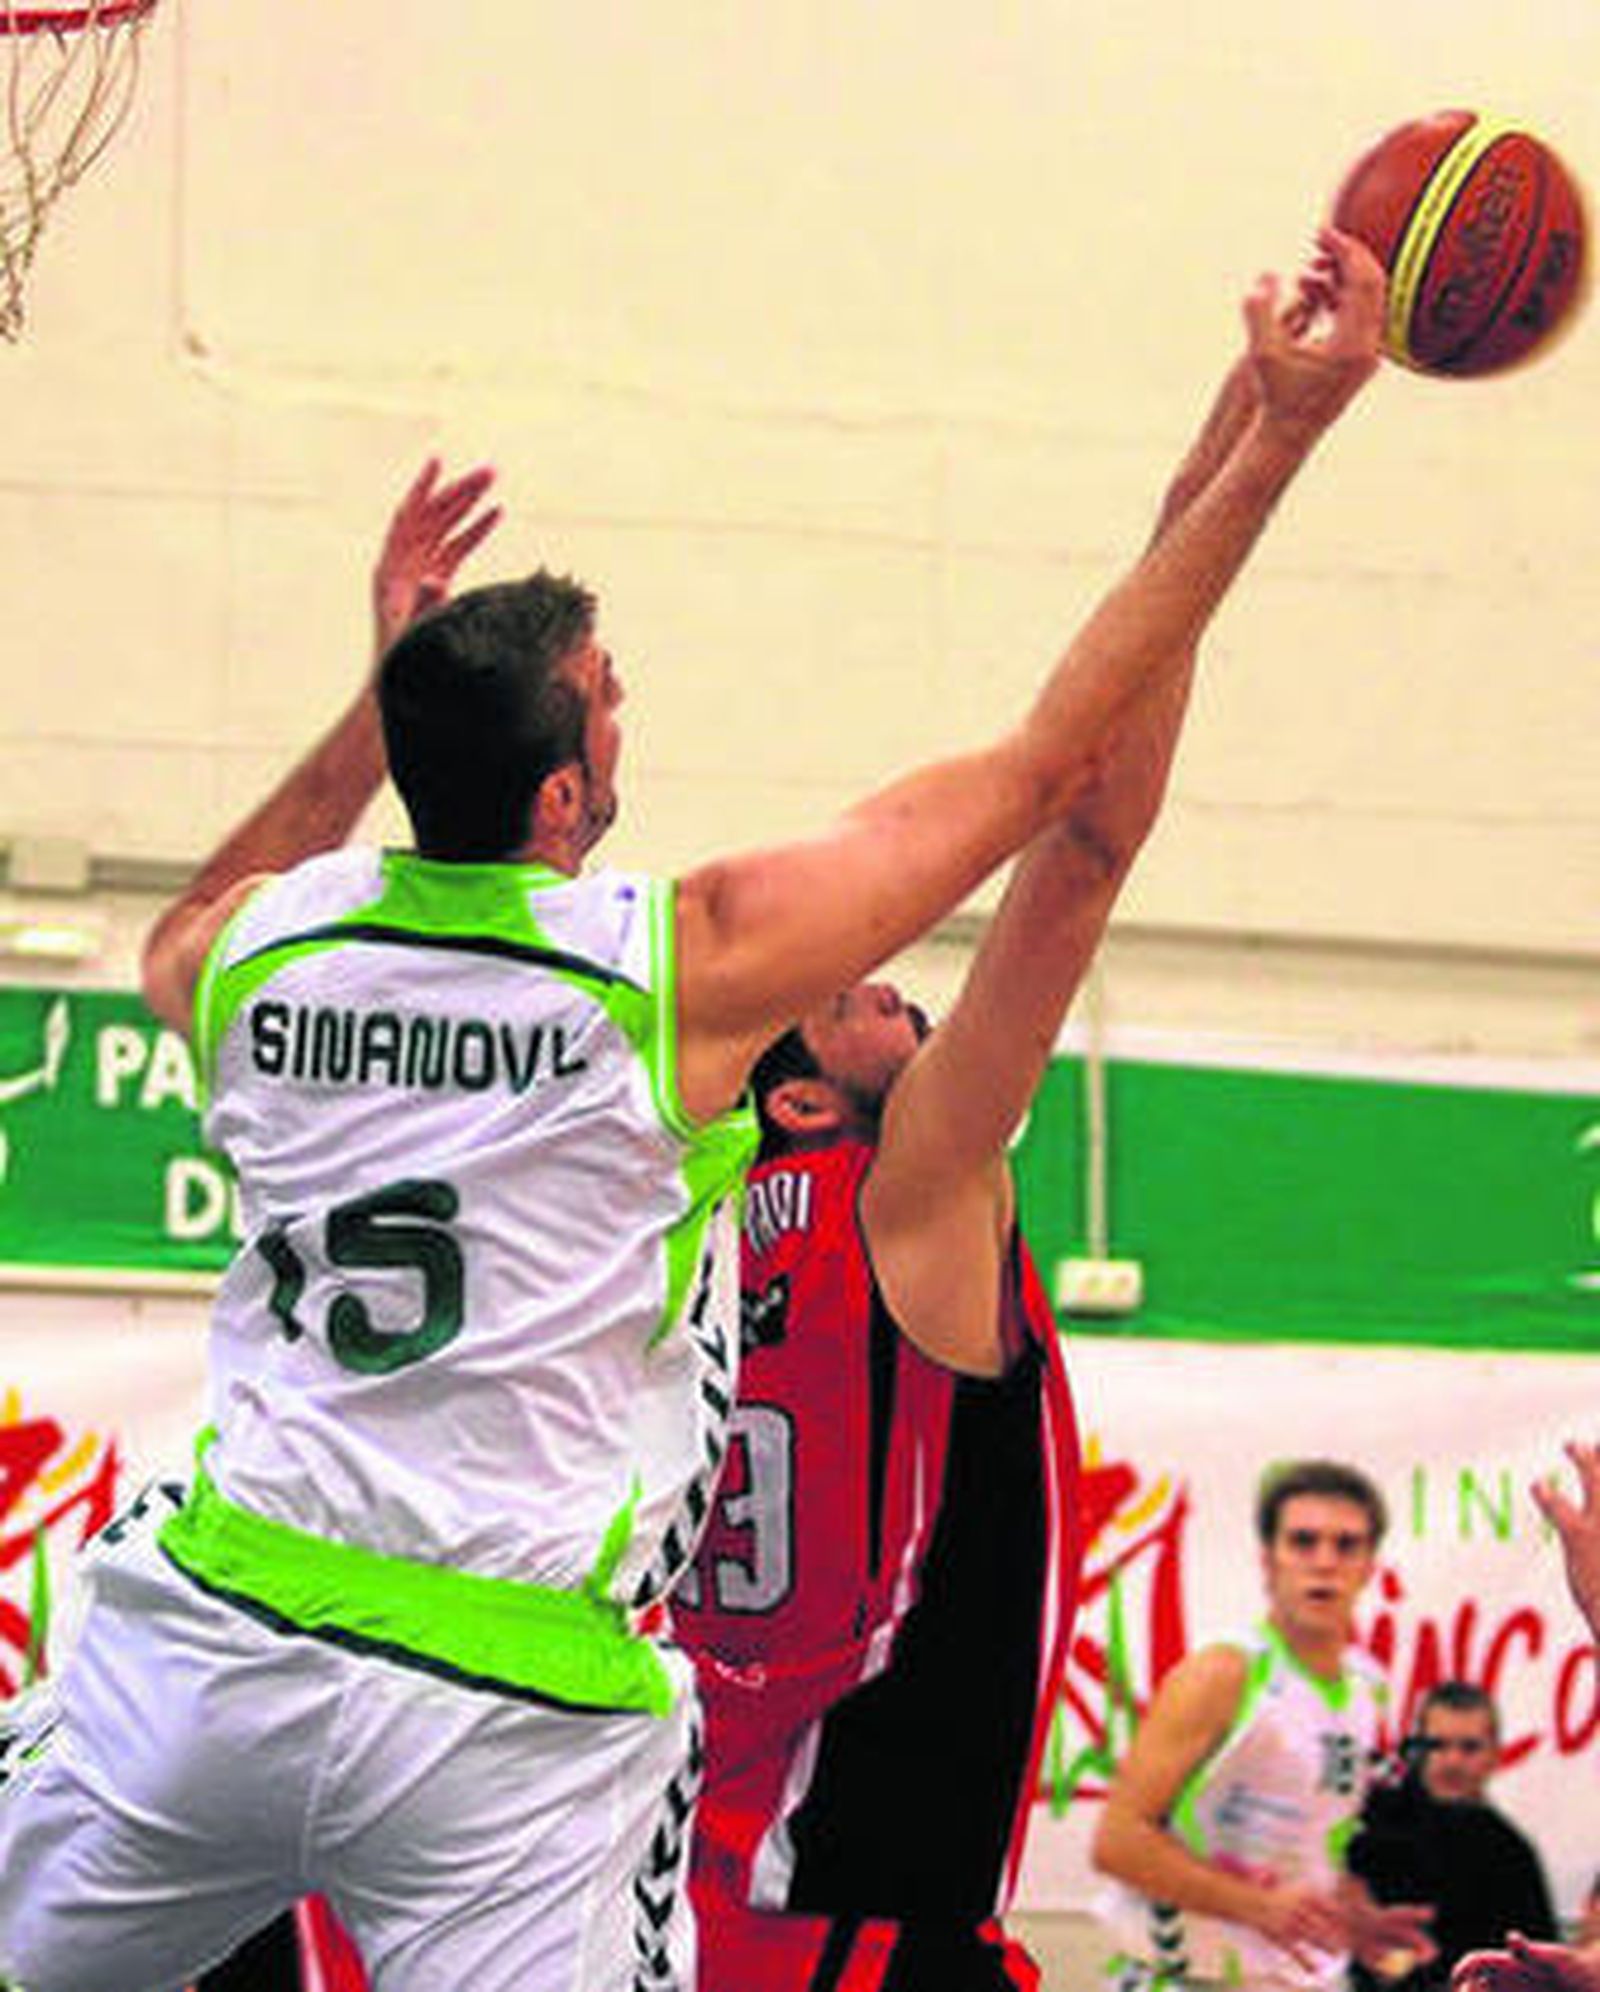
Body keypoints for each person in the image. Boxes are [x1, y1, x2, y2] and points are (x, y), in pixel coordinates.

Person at [0, 231, 1387, 1992]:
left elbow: (185, 934)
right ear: (572, 790)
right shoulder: (701, 1003)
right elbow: (1067, 789)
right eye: (607, 697)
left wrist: (391, 699)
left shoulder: (277, 954)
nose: (894, 975)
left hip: (224, 1627)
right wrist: (1272, 434)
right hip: (525, 1716)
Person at [670, 295, 1284, 1992]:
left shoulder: (644, 1220)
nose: (894, 988)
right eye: (855, 997)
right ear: (801, 1097)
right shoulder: (903, 1190)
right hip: (864, 1935)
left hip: (642, 1922)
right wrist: (1261, 445)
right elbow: (1081, 847)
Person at [1091, 1458, 1434, 1991]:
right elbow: (1118, 1841)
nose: (1324, 1562)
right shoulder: (1224, 1671)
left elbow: (1309, 1851)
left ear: (1370, 1567)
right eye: (1303, 1542)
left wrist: (1354, 1919)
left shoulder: (1369, 1688)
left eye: (1346, 1546)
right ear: (1268, 1562)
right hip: (1187, 1975)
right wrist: (1259, 1907)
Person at [1348, 1682, 1556, 1992]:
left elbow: (1536, 1969)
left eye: (1469, 1747)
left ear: (1495, 1755)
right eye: (1438, 1746)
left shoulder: (1511, 1854)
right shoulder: (1367, 1825)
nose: (1452, 1761)